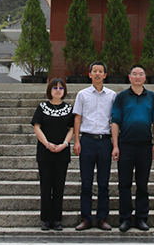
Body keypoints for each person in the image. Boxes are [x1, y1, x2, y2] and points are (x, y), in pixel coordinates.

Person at [111, 64, 154, 232]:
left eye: (141, 74)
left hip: (145, 146)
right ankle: (125, 218)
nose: (138, 77)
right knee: (124, 184)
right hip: (125, 145)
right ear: (129, 77)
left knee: (142, 184)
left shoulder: (152, 97)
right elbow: (115, 121)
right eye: (134, 74)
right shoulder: (122, 97)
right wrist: (115, 145)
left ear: (145, 77)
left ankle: (141, 218)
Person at [72, 60, 116, 230]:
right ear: (89, 74)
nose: (97, 74)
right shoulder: (82, 95)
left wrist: (115, 144)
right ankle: (86, 218)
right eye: (94, 71)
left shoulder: (112, 95)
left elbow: (115, 120)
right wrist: (76, 141)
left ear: (105, 75)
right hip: (87, 141)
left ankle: (102, 218)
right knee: (86, 183)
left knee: (103, 183)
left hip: (104, 141)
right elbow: (77, 118)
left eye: (100, 71)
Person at [31, 77, 74, 231]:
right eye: (55, 87)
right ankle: (46, 219)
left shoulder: (69, 108)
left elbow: (72, 129)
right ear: (49, 90)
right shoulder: (42, 107)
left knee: (58, 187)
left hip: (62, 153)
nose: (58, 90)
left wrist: (64, 144)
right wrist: (48, 144)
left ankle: (57, 219)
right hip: (45, 152)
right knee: (45, 186)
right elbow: (37, 127)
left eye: (61, 88)